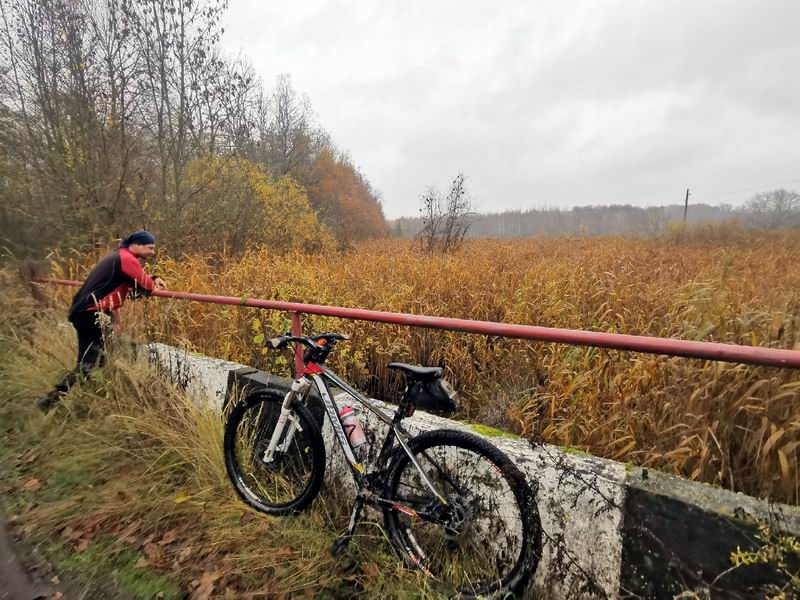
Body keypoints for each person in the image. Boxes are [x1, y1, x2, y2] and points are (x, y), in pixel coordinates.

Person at [36, 231, 167, 412]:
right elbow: (145, 285)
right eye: (150, 247)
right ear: (136, 244)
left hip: (85, 312)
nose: (152, 252)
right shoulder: (126, 259)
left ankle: (65, 400)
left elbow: (134, 280)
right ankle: (51, 401)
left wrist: (152, 277)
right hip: (93, 313)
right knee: (92, 363)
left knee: (92, 362)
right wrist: (153, 281)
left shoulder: (118, 256)